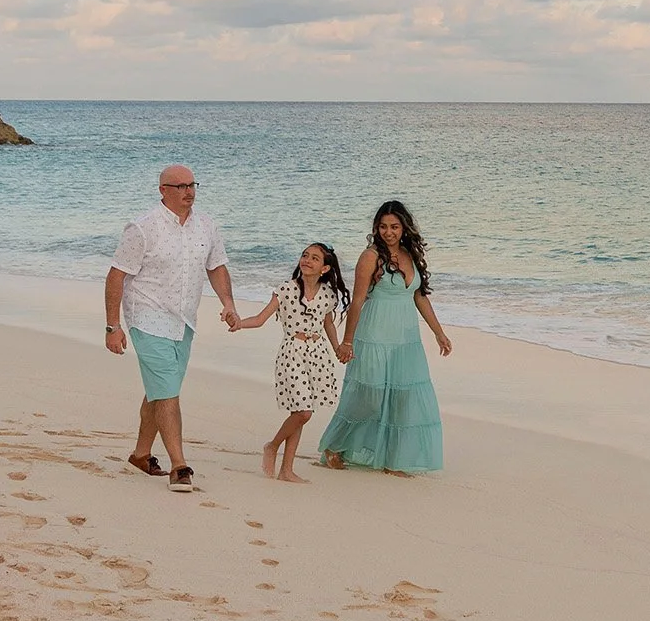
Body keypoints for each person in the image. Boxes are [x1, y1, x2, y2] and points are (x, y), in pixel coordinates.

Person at [103, 163, 238, 493]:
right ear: (163, 190)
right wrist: (112, 326)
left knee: (160, 390)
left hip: (184, 321)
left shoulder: (206, 226)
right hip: (147, 317)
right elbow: (116, 276)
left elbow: (216, 267)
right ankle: (179, 465)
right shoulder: (143, 228)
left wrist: (229, 303)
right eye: (180, 186)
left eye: (192, 184)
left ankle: (140, 454)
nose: (188, 191)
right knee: (167, 389)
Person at [319, 200, 451, 475]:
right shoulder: (370, 257)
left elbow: (418, 296)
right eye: (383, 227)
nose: (388, 232)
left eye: (394, 226)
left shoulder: (410, 254)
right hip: (374, 335)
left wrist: (439, 332)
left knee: (403, 399)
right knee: (370, 396)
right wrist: (347, 341)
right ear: (376, 229)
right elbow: (356, 302)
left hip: (405, 340)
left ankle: (393, 459)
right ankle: (334, 444)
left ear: (404, 228)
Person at [229, 242, 348, 483]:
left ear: (324, 268)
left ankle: (286, 470)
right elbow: (261, 319)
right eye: (305, 256)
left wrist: (337, 348)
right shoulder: (286, 289)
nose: (307, 260)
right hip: (292, 353)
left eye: (314, 258)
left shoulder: (328, 295)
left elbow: (328, 324)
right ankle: (272, 446)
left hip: (317, 356)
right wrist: (239, 323)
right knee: (303, 412)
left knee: (301, 411)